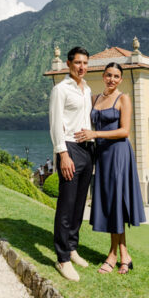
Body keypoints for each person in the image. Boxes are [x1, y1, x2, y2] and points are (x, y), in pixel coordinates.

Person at [76, 62, 146, 274]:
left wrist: (95, 135)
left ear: (121, 79)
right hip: (102, 156)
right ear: (103, 76)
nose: (112, 79)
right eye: (108, 75)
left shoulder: (123, 98)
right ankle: (124, 254)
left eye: (116, 76)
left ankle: (113, 254)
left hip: (119, 155)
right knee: (112, 204)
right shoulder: (95, 99)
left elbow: (124, 131)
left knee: (116, 203)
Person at [48, 46, 95, 281]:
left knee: (79, 204)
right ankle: (62, 259)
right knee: (66, 204)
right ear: (68, 64)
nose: (82, 67)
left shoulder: (87, 90)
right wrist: (63, 154)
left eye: (85, 63)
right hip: (69, 149)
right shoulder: (60, 89)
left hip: (87, 149)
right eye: (78, 63)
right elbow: (56, 124)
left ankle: (72, 248)